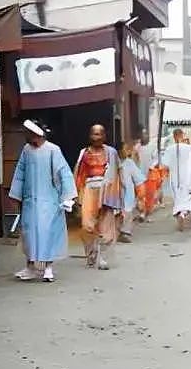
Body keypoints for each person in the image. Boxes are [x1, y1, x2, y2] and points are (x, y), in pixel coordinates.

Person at [9, 120, 76, 283]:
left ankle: (48, 268)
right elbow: (20, 173)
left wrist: (68, 197)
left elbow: (64, 173)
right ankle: (30, 266)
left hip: (49, 200)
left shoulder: (53, 150)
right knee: (29, 233)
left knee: (48, 233)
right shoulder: (26, 150)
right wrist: (15, 195)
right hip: (31, 200)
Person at [74, 124, 123, 270]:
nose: (97, 137)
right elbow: (78, 173)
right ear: (90, 136)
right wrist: (76, 195)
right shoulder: (84, 153)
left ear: (104, 136)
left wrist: (120, 195)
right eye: (94, 134)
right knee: (87, 226)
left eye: (100, 134)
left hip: (107, 191)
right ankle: (91, 255)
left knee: (106, 227)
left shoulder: (111, 152)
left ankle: (103, 259)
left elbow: (118, 171)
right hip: (89, 190)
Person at [162, 128, 191, 232]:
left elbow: (165, 165)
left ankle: (180, 213)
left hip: (175, 177)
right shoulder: (189, 148)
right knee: (187, 197)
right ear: (182, 136)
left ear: (174, 137)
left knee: (178, 198)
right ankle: (183, 213)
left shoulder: (169, 149)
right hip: (187, 177)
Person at [119, 143, 146, 243]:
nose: (126, 152)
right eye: (124, 149)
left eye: (127, 150)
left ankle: (124, 233)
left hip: (127, 195)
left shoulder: (129, 163)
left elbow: (138, 179)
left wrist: (140, 194)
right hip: (114, 194)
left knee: (127, 213)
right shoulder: (112, 163)